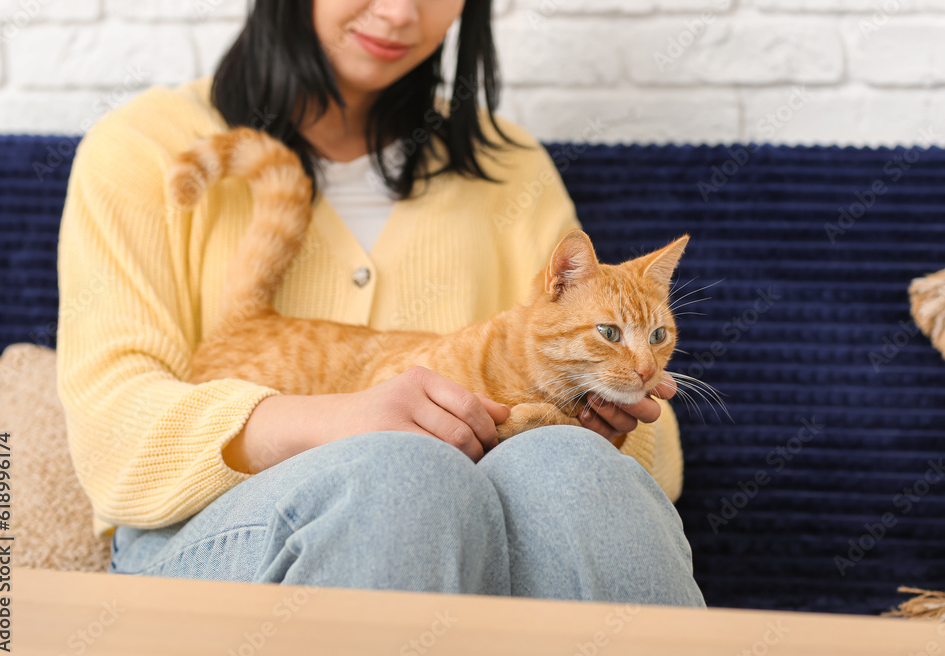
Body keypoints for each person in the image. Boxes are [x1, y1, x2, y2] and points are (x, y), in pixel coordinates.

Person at [56, 0, 705, 606]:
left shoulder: (512, 167)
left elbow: (657, 459)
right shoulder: (140, 146)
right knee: (405, 473)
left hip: (472, 542)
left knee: (573, 467)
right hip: (203, 535)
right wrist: (336, 419)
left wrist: (598, 420)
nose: (399, 13)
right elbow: (109, 427)